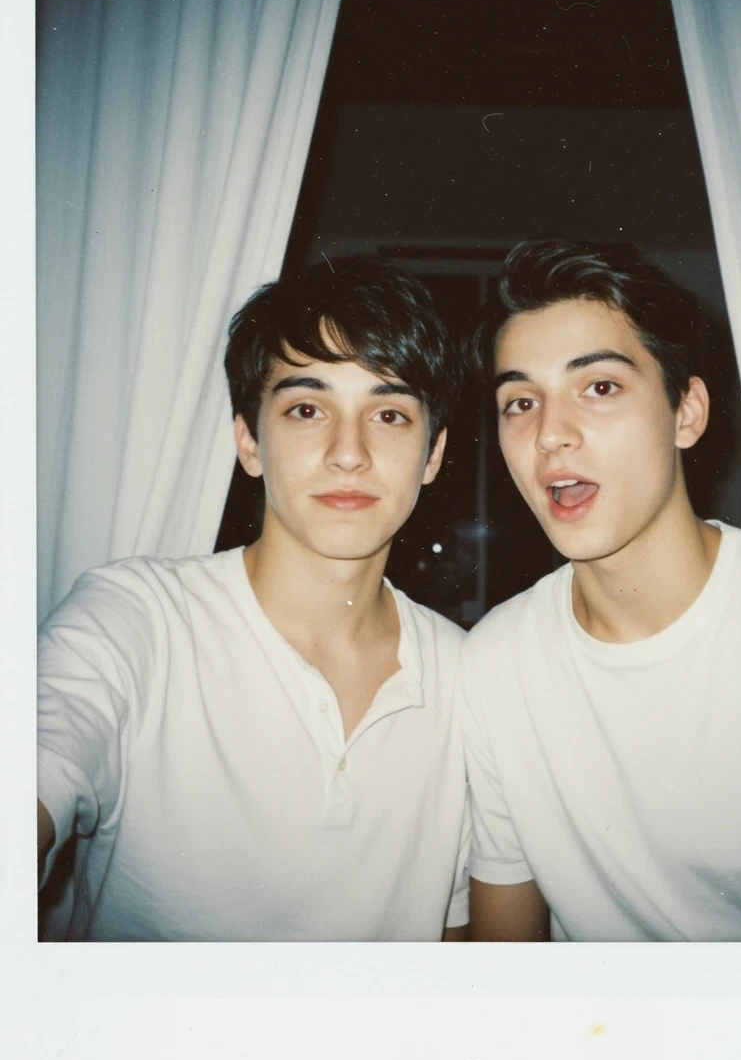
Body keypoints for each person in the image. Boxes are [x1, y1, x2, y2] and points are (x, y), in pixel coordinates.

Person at [37, 256, 470, 941]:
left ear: (434, 453)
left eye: (388, 414)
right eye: (306, 409)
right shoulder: (136, 619)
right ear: (248, 441)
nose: (348, 452)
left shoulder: (471, 677)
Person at [459, 238, 741, 942]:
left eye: (600, 387)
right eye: (520, 401)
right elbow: (503, 964)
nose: (550, 434)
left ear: (687, 413)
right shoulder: (496, 663)